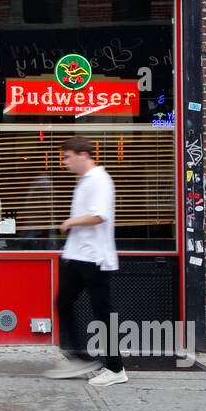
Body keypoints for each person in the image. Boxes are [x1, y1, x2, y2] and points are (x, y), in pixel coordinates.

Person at [43, 136, 126, 387]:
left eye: (66, 156)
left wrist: (69, 222)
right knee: (63, 302)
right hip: (78, 256)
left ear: (82, 155)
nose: (63, 162)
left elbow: (100, 215)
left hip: (94, 258)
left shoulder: (99, 179)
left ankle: (115, 368)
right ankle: (80, 357)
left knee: (103, 312)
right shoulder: (84, 181)